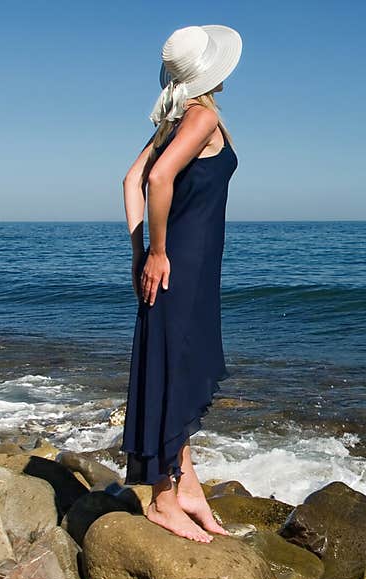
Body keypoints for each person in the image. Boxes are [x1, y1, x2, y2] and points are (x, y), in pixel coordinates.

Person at [120, 25, 242, 542]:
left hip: (180, 261)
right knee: (175, 368)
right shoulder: (202, 116)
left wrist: (139, 253)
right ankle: (162, 500)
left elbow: (129, 180)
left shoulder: (173, 121)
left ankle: (185, 485)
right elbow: (156, 180)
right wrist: (160, 251)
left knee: (176, 362)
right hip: (182, 262)